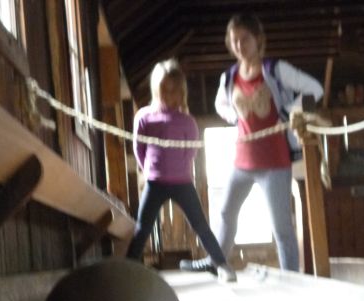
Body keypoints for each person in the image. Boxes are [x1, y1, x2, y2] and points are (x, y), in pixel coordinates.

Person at [180, 12, 323, 273]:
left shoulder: (276, 70)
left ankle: (290, 276)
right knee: (226, 212)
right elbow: (220, 104)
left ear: (258, 39)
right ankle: (216, 261)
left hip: (274, 162)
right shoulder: (229, 77)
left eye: (245, 39)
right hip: (242, 161)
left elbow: (315, 89)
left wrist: (288, 111)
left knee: (281, 227)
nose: (239, 45)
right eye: (234, 40)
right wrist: (235, 118)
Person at [126, 59, 236, 283]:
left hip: (182, 183)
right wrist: (149, 169)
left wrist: (179, 169)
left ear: (181, 93)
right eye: (164, 89)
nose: (169, 95)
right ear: (156, 89)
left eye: (174, 90)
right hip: (155, 183)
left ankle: (222, 265)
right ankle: (126, 270)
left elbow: (190, 151)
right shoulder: (145, 117)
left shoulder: (187, 122)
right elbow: (139, 148)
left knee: (201, 225)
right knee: (142, 228)